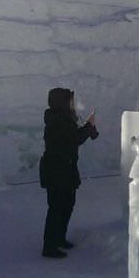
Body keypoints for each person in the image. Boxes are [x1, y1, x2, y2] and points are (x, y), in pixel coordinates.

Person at [39, 88, 99, 259]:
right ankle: (49, 245)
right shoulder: (57, 119)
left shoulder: (64, 117)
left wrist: (87, 127)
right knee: (57, 207)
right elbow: (73, 139)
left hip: (66, 168)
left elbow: (74, 138)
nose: (73, 103)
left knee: (67, 205)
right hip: (57, 169)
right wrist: (88, 127)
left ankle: (59, 238)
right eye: (70, 101)